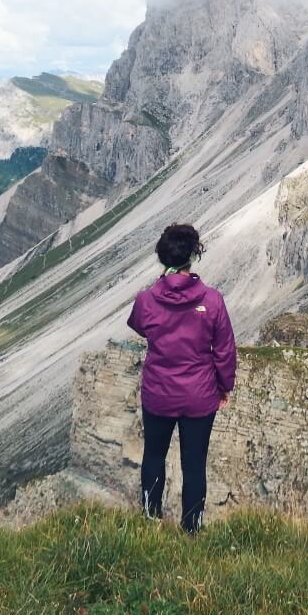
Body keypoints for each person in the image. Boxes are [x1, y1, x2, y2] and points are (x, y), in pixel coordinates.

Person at [125, 223, 236, 533]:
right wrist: (224, 386)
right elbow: (225, 349)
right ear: (193, 257)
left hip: (158, 392)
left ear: (162, 257)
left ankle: (150, 518)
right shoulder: (212, 300)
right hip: (200, 395)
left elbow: (138, 325)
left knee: (154, 455)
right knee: (194, 463)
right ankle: (192, 528)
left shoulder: (146, 299)